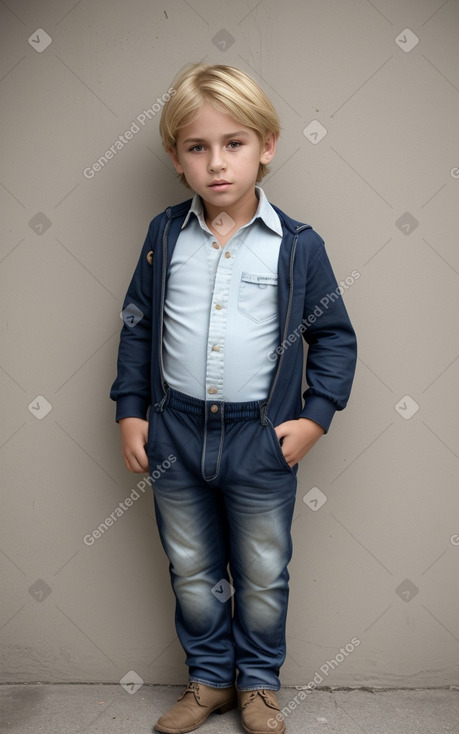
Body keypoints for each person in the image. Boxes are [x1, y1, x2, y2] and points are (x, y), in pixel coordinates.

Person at [110, 62, 357, 734]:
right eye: (197, 147)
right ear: (176, 158)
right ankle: (210, 678)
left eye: (234, 143)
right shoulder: (165, 237)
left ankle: (258, 683)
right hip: (176, 433)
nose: (216, 163)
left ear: (266, 146)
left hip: (261, 435)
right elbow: (137, 324)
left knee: (263, 570)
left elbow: (333, 336)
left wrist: (315, 417)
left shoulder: (298, 247)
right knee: (190, 567)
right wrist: (131, 411)